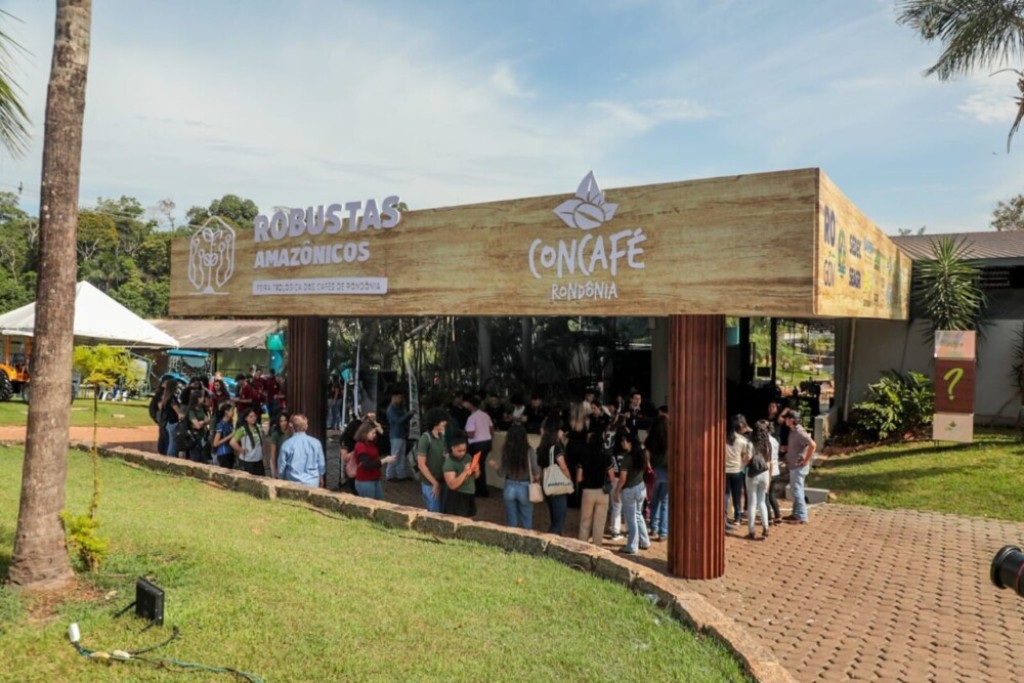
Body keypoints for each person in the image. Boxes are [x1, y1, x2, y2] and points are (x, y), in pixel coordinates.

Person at [488, 423, 539, 529]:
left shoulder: (506, 451)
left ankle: (512, 538)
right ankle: (526, 538)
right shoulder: (529, 451)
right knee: (526, 519)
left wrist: (495, 466)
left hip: (509, 487)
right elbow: (535, 470)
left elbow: (501, 473)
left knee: (512, 520)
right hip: (525, 487)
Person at [611, 428, 650, 555]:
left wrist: (616, 491)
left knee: (631, 518)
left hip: (630, 491)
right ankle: (645, 541)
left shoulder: (627, 458)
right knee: (638, 515)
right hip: (641, 487)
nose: (622, 444)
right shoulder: (642, 454)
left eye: (624, 442)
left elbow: (622, 478)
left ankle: (632, 546)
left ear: (630, 443)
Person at [576, 423, 615, 545]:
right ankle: (597, 548)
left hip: (588, 491)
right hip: (602, 492)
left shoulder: (583, 456)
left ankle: (581, 547)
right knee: (599, 523)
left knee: (585, 522)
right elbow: (612, 477)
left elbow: (579, 478)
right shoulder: (606, 457)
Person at [538, 416, 572, 535]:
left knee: (554, 518)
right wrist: (569, 480)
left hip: (547, 484)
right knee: (558, 522)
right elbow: (563, 467)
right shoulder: (556, 448)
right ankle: (547, 541)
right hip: (558, 486)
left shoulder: (542, 447)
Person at [783, 411, 816, 524]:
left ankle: (802, 516)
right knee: (796, 490)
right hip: (794, 465)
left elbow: (813, 445)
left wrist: (806, 460)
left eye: (787, 418)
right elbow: (800, 446)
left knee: (797, 491)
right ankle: (796, 514)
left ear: (792, 419)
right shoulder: (793, 431)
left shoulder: (799, 432)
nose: (785, 420)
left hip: (798, 466)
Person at [277, 414, 326, 488]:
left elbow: (281, 467)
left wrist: (281, 478)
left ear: (292, 427)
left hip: (292, 482)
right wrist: (321, 477)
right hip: (312, 482)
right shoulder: (316, 443)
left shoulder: (286, 445)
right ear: (306, 427)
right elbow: (321, 464)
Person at [415, 407, 449, 513]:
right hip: (430, 483)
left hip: (442, 481)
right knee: (435, 513)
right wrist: (434, 483)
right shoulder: (425, 439)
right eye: (442, 421)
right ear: (435, 422)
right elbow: (421, 465)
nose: (445, 423)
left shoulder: (443, 437)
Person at [353, 420, 396, 500]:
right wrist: (384, 460)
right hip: (365, 481)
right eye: (372, 433)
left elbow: (385, 444)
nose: (374, 435)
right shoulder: (361, 446)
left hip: (374, 479)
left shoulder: (370, 443)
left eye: (375, 433)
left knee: (380, 502)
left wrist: (381, 431)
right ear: (365, 433)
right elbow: (367, 464)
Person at [745, 420, 773, 540]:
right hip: (765, 474)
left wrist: (744, 462)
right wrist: (769, 479)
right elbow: (769, 462)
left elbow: (748, 458)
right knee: (762, 502)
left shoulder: (750, 443)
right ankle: (765, 527)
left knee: (752, 503)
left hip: (753, 474)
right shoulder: (768, 444)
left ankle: (751, 531)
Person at [645, 405, 670, 542]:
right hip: (668, 471)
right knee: (665, 502)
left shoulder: (652, 437)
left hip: (654, 471)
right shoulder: (672, 437)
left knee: (654, 501)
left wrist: (649, 466)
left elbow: (646, 451)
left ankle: (653, 527)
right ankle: (663, 532)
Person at [463, 394, 494, 498]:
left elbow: (471, 434)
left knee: (476, 466)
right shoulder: (485, 415)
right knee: (481, 465)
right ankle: (482, 489)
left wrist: (463, 433)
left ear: (470, 405)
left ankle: (480, 490)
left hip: (477, 445)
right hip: (486, 443)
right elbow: (491, 429)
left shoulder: (472, 418)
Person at [443, 430, 478, 517]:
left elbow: (475, 476)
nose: (462, 453)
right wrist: (464, 473)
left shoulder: (468, 457)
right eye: (459, 451)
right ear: (452, 448)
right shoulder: (449, 463)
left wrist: (476, 470)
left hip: (469, 493)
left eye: (464, 450)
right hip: (458, 496)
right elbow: (452, 485)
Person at [725, 415, 751, 528]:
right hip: (737, 471)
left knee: (725, 495)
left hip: (725, 471)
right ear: (740, 425)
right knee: (737, 495)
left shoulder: (723, 437)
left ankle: (724, 517)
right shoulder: (742, 440)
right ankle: (737, 518)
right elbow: (746, 456)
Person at [758, 418, 783, 525]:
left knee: (765, 496)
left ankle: (769, 518)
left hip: (768, 471)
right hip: (776, 470)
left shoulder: (764, 441)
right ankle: (778, 516)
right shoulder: (775, 440)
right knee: (772, 495)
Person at [385, 390, 413, 481]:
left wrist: (409, 415)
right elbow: (398, 421)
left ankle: (402, 474)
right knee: (394, 455)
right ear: (394, 397)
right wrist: (408, 414)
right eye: (399, 398)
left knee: (401, 456)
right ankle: (390, 474)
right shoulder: (390, 409)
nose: (401, 400)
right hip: (395, 435)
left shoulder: (398, 408)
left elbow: (403, 419)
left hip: (401, 434)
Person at [230, 408, 266, 476]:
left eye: (255, 416)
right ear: (246, 418)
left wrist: (263, 457)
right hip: (247, 460)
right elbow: (232, 442)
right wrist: (241, 449)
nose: (253, 418)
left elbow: (262, 444)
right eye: (251, 416)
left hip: (258, 460)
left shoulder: (259, 427)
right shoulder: (242, 430)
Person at [184, 389, 211, 463]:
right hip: (194, 437)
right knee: (195, 457)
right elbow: (197, 425)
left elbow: (207, 420)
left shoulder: (201, 408)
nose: (203, 399)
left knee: (203, 456)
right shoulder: (191, 410)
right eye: (202, 397)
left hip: (202, 435)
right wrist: (203, 423)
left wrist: (202, 422)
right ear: (198, 399)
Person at [158, 380, 182, 457]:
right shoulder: (172, 398)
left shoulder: (165, 396)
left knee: (171, 443)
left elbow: (160, 407)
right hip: (173, 422)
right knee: (173, 444)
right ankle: (170, 458)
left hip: (168, 422)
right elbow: (178, 411)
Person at [211, 403, 236, 469]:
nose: (233, 412)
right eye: (231, 410)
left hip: (230, 452)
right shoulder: (220, 425)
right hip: (223, 454)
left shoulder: (230, 424)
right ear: (226, 412)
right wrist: (230, 435)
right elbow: (215, 443)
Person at [268, 411, 292, 479]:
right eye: (281, 421)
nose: (283, 423)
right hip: (280, 463)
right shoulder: (276, 434)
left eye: (285, 420)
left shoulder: (292, 433)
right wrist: (274, 470)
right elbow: (273, 454)